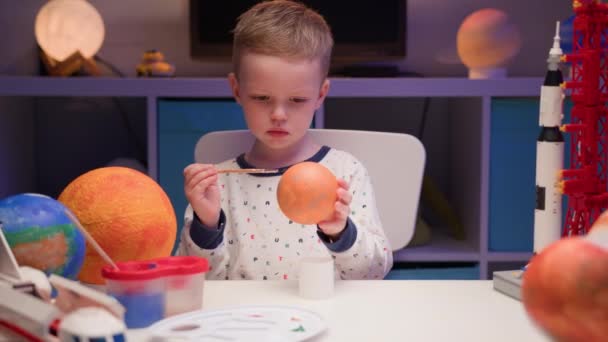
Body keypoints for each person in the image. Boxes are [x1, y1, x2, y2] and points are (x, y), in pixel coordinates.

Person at [177, 0, 392, 280]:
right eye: (262, 98)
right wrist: (206, 225)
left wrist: (341, 232)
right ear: (237, 90)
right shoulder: (219, 185)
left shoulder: (345, 173)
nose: (278, 114)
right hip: (248, 320)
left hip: (329, 317)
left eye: (297, 99)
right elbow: (196, 282)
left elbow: (374, 272)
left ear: (320, 95)